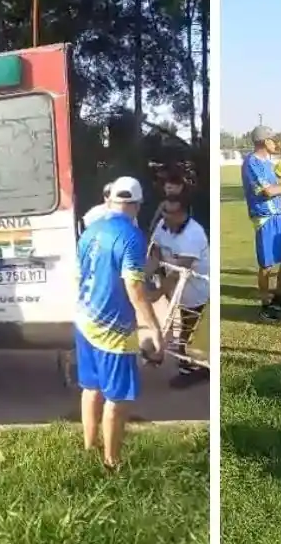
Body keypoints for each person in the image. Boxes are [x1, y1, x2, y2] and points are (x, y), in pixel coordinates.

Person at [75, 176, 163, 470]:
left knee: (91, 388)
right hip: (112, 330)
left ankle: (90, 448)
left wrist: (148, 265)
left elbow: (94, 270)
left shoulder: (90, 231)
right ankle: (111, 463)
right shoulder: (132, 237)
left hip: (84, 319)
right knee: (118, 399)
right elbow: (134, 288)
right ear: (137, 205)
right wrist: (152, 327)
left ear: (109, 200)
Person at [148, 193, 210, 388]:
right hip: (175, 288)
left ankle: (193, 363)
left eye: (170, 213)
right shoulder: (163, 225)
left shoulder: (193, 234)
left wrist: (156, 294)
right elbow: (155, 253)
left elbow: (179, 273)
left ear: (182, 213)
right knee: (177, 324)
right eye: (164, 211)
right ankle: (178, 355)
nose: (164, 216)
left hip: (196, 289)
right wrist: (140, 276)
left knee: (190, 327)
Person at [240, 125, 281, 320]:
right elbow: (269, 191)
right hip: (265, 217)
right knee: (267, 264)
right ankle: (265, 305)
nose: (276, 143)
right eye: (273, 140)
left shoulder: (268, 163)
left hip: (278, 215)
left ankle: (278, 296)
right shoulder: (251, 163)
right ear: (264, 141)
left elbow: (277, 189)